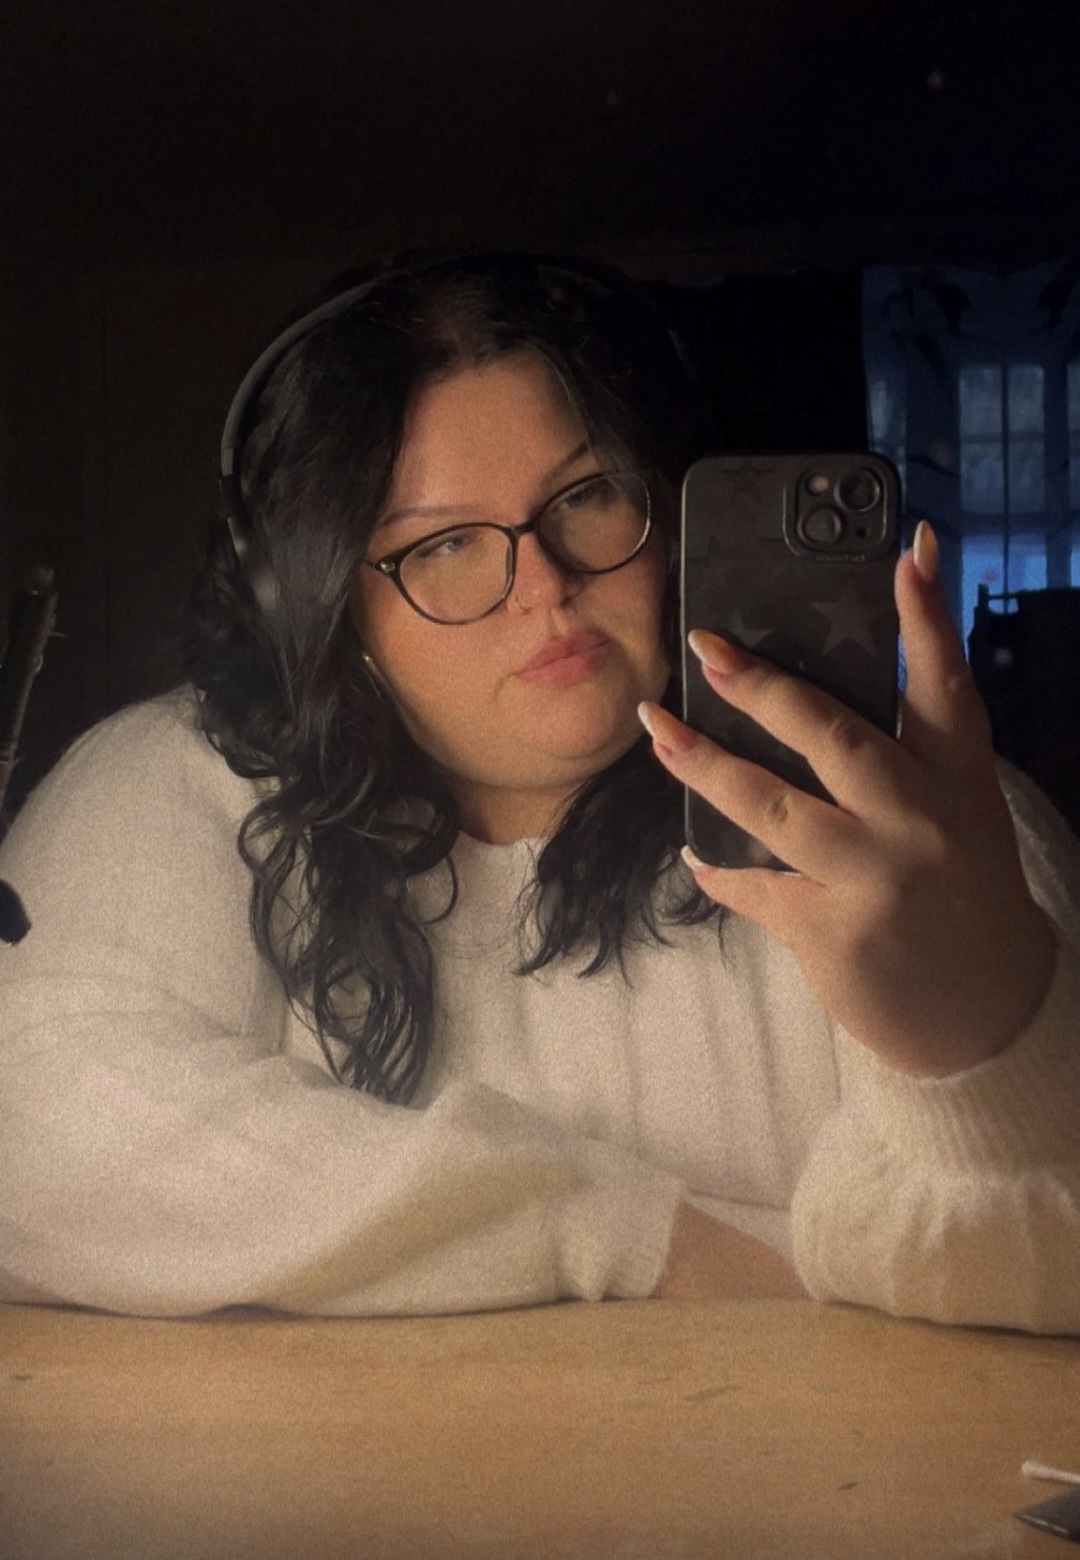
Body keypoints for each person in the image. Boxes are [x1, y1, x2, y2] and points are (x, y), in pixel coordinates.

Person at [1, 253, 1078, 1327]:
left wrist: (979, 1053)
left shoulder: (923, 831)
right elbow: (38, 1133)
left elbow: (1027, 1288)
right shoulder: (179, 780)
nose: (546, 586)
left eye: (587, 495)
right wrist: (626, 1230)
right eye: (445, 543)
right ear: (323, 603)